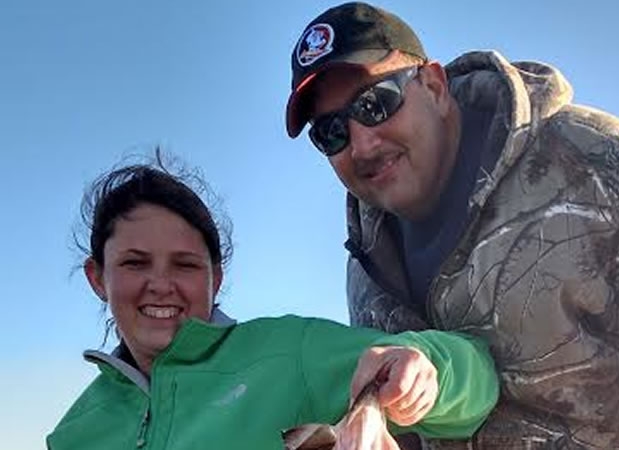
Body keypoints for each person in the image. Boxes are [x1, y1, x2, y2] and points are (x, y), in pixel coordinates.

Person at [284, 2, 619, 449]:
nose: (363, 144)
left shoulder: (604, 168)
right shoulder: (367, 270)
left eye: (377, 103)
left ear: (435, 86)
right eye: (330, 133)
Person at [46, 156, 499, 450]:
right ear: (97, 278)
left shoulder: (287, 352)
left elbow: (477, 383)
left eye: (185, 265)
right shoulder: (74, 433)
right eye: (135, 263)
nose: (161, 285)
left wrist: (426, 368)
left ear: (215, 279)